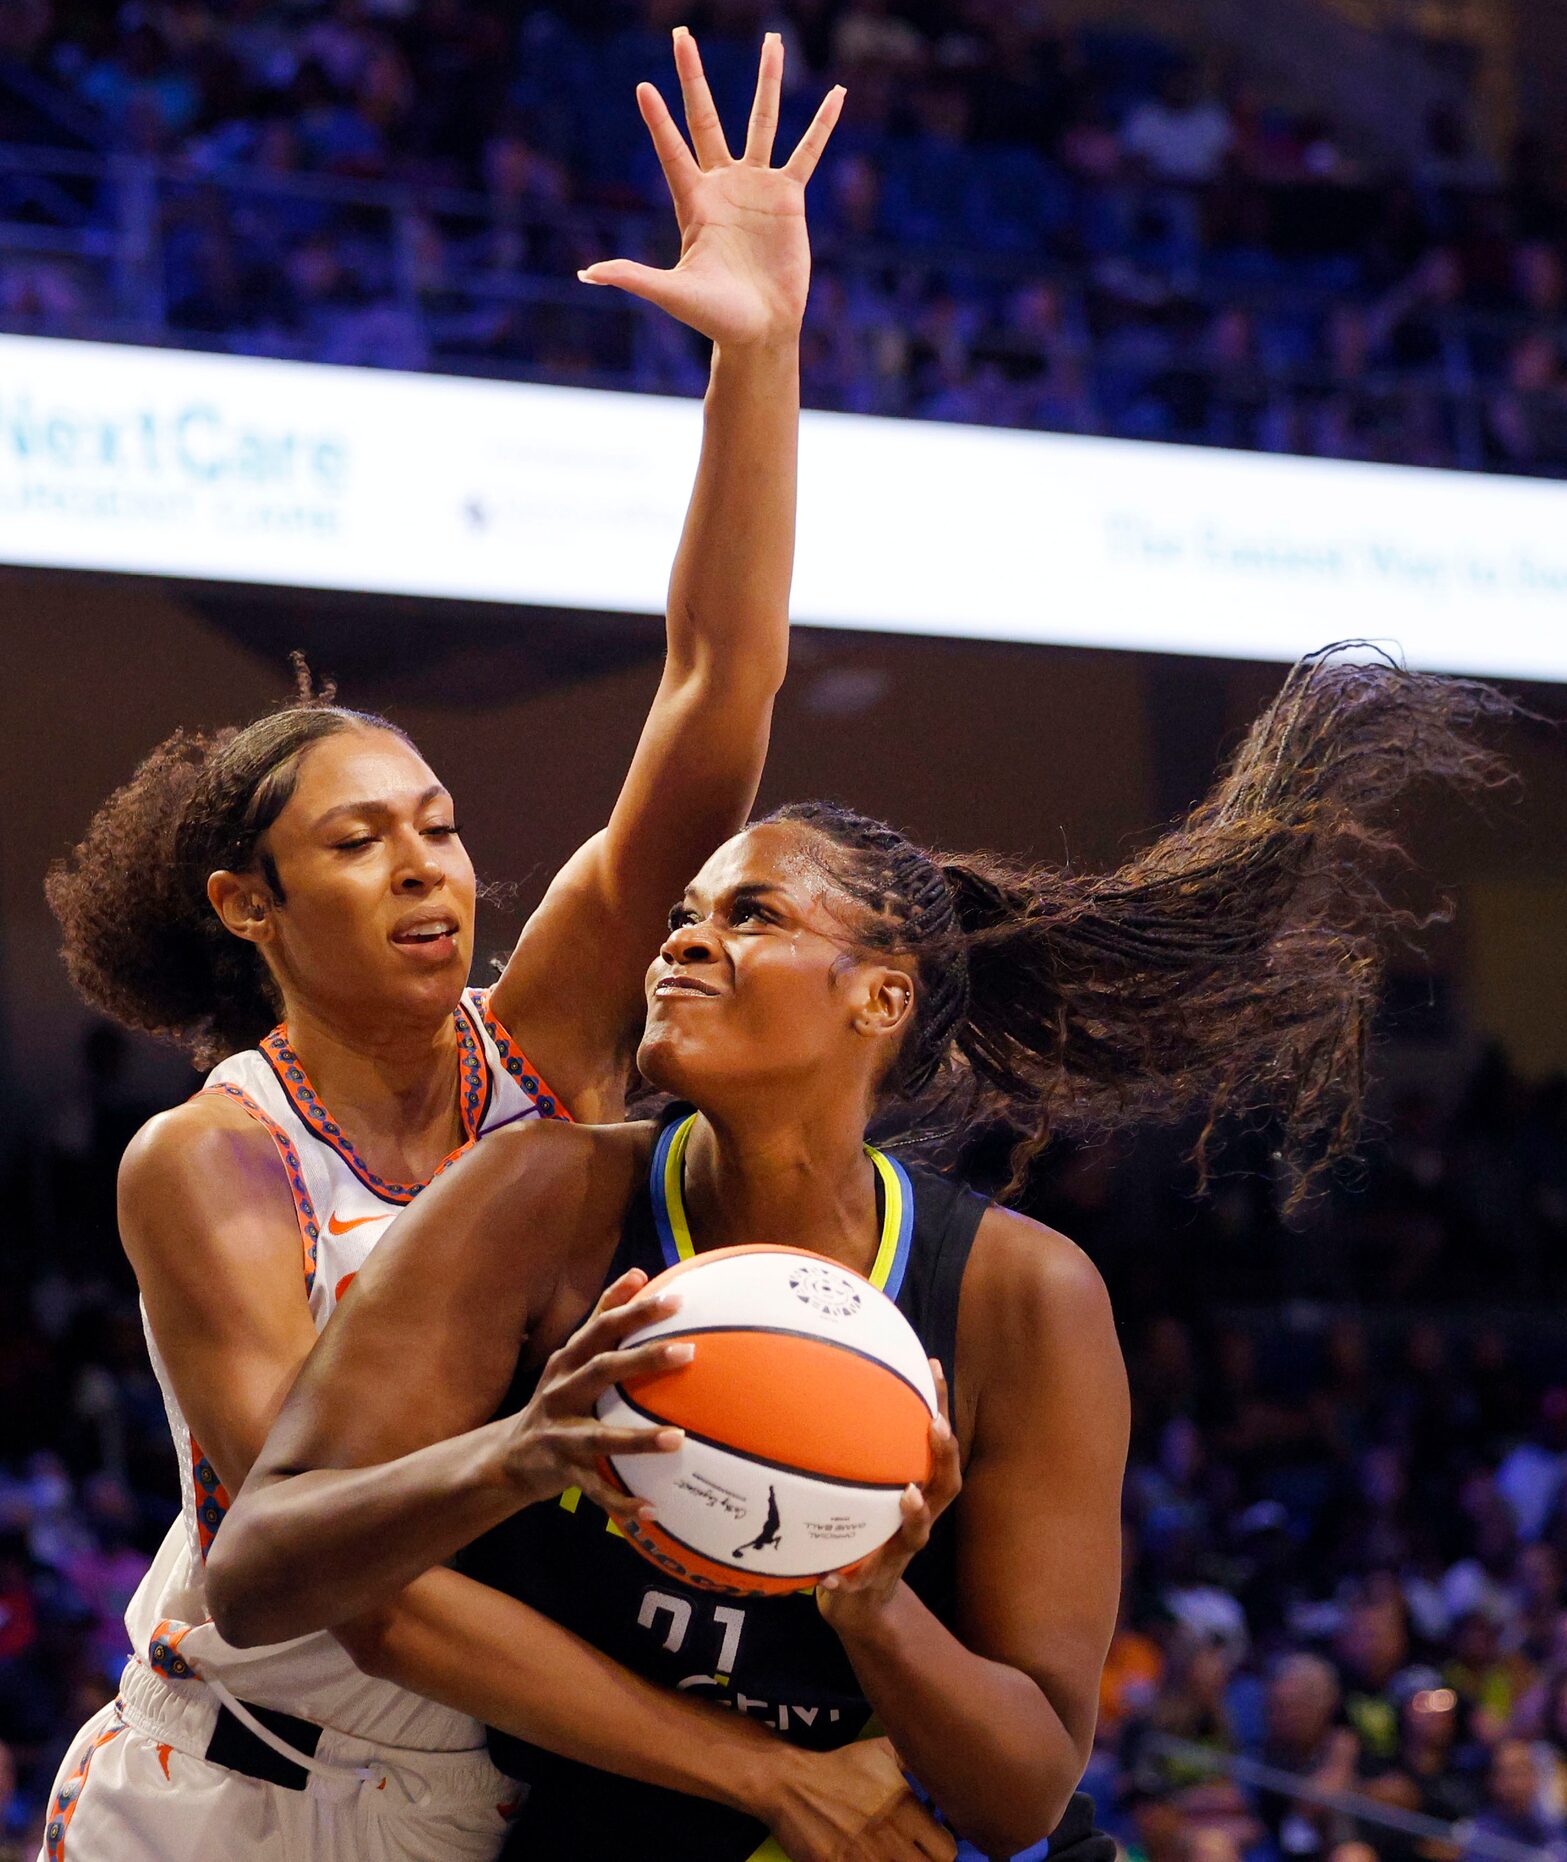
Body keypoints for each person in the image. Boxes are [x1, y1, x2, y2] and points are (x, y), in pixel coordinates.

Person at [35, 27, 936, 1862]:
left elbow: (714, 691)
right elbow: (321, 1563)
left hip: (480, 1788)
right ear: (249, 906)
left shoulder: (542, 1050)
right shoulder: (213, 1162)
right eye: (357, 845)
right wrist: (756, 1761)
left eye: (440, 827)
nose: (428, 871)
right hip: (226, 1780)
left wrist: (757, 356)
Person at [211, 650, 1511, 1857]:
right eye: (682, 911)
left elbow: (1020, 1792)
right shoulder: (539, 1195)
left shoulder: (1019, 1294)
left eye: (753, 910)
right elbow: (261, 1567)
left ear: (880, 994)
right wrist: (511, 1453)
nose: (683, 937)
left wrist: (873, 1601)